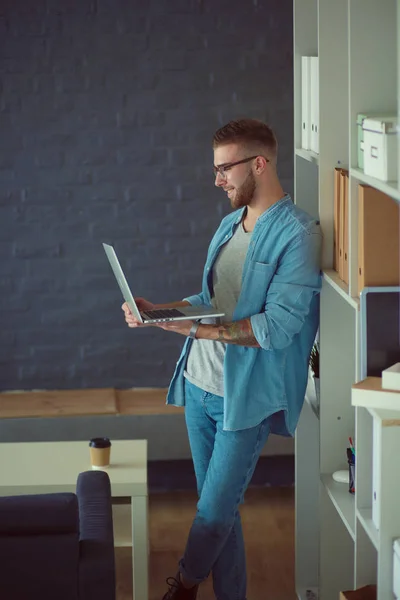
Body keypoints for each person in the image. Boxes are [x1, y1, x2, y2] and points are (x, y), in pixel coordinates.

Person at [122, 118, 322, 600]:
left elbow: (276, 328)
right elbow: (215, 298)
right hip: (198, 385)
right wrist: (163, 311)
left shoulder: (298, 235)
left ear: (260, 163)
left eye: (224, 169)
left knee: (212, 513)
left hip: (244, 399)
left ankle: (184, 586)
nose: (218, 180)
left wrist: (196, 327)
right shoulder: (230, 224)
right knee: (222, 513)